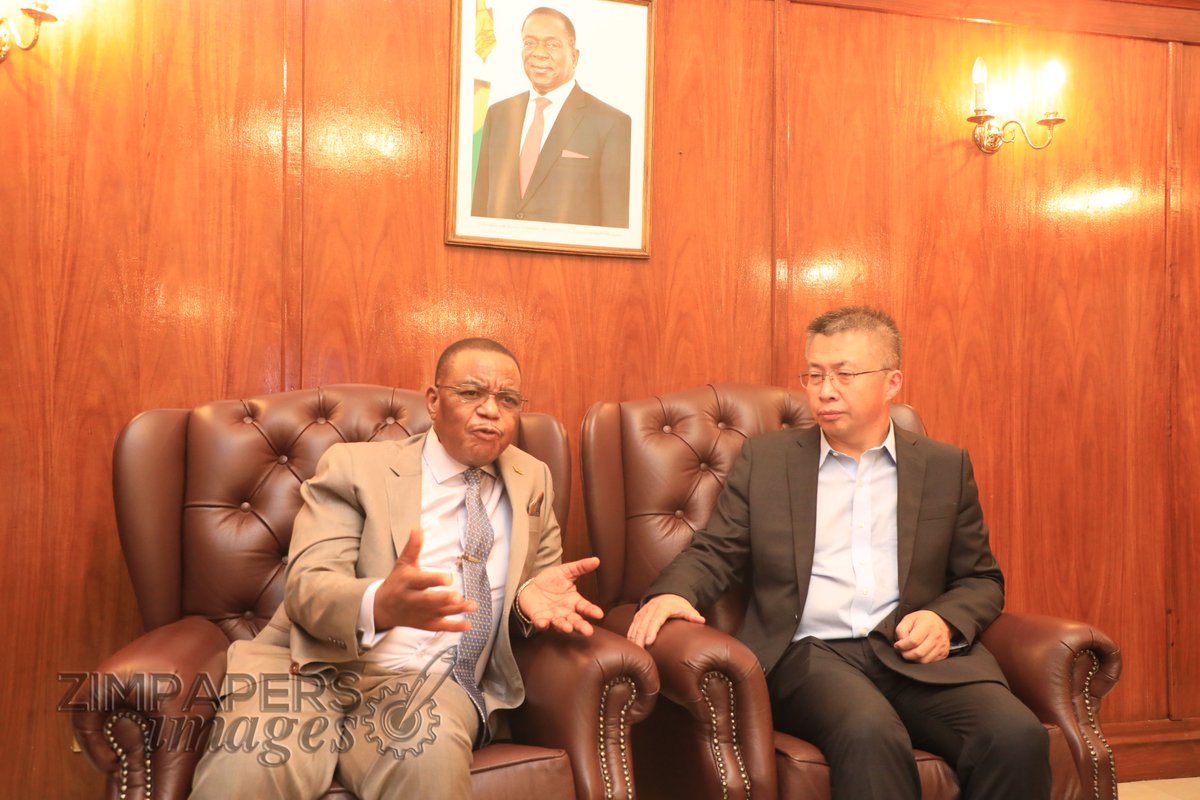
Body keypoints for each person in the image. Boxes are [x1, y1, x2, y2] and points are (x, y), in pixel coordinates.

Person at [626, 307, 1050, 799]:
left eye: (844, 374)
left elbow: (981, 579)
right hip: (812, 655)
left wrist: (945, 620)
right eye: (814, 374)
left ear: (892, 383)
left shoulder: (943, 466)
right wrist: (673, 593)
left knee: (1016, 735)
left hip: (915, 655)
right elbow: (718, 550)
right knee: (870, 733)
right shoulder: (769, 460)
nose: (824, 391)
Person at [191, 337, 604, 799]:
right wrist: (380, 604)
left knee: (426, 755)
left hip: (429, 686)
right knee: (251, 767)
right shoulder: (356, 467)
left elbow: (536, 593)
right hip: (307, 670)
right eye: (471, 393)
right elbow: (308, 590)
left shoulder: (533, 479)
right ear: (433, 400)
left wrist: (527, 606)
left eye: (507, 399)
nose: (491, 410)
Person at [471, 6, 631, 228]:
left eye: (552, 44)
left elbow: (616, 225)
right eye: (529, 43)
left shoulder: (612, 124)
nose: (538, 52)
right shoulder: (497, 115)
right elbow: (479, 209)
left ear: (574, 56)